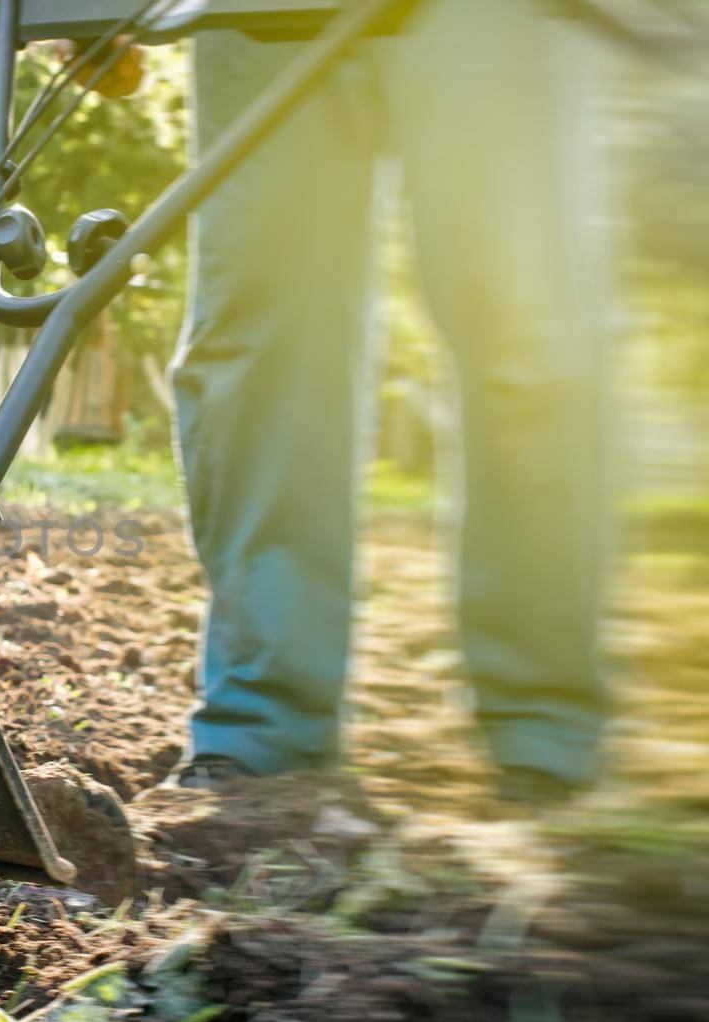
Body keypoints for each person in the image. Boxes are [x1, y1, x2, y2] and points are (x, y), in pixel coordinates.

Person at [166, 0, 613, 803]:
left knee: (520, 319)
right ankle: (266, 718)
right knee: (263, 334)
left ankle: (542, 717)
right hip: (257, 13)